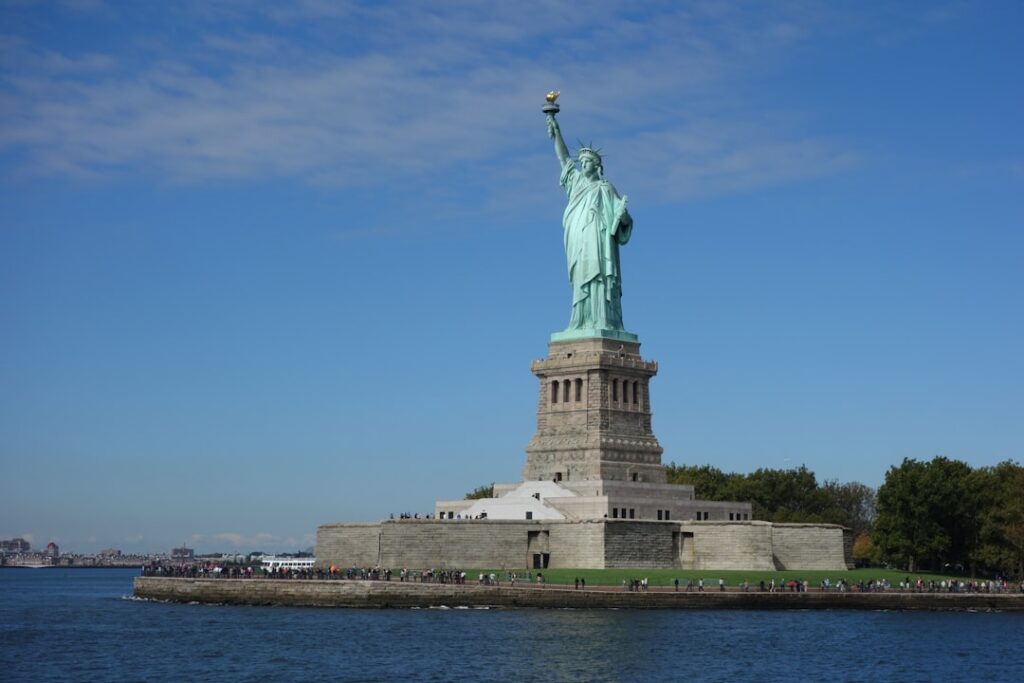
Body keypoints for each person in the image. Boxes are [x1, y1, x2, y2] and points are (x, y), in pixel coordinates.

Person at [546, 110, 632, 333]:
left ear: (596, 165)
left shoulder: (606, 188)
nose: (582, 164)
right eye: (581, 161)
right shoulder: (575, 183)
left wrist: (622, 217)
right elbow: (564, 159)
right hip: (578, 238)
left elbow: (622, 220)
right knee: (581, 277)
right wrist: (557, 133)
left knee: (600, 278)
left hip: (600, 241)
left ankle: (603, 320)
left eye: (587, 161)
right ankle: (580, 321)